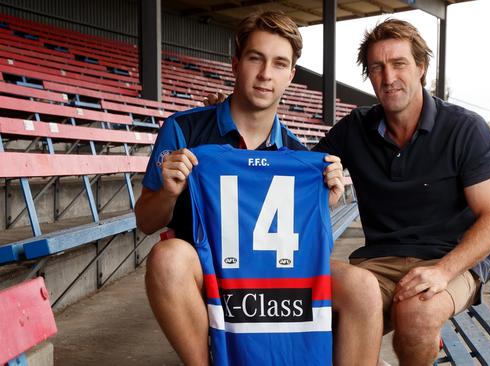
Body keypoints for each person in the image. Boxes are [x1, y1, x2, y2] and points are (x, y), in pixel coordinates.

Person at [135, 11, 382, 366]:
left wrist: (322, 206)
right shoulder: (184, 131)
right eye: (256, 58)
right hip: (208, 274)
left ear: (291, 75)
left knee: (363, 286)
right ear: (236, 63)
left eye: (280, 64)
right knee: (167, 257)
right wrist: (169, 192)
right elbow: (146, 221)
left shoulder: (298, 155)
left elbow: (307, 256)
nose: (266, 74)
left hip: (274, 279)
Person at [310, 19, 490, 365]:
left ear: (421, 67)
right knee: (316, 321)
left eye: (399, 64)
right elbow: (295, 168)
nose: (388, 78)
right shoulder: (355, 128)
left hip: (449, 260)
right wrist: (236, 121)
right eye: (377, 67)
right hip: (377, 263)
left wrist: (443, 271)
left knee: (416, 315)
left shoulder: (465, 129)